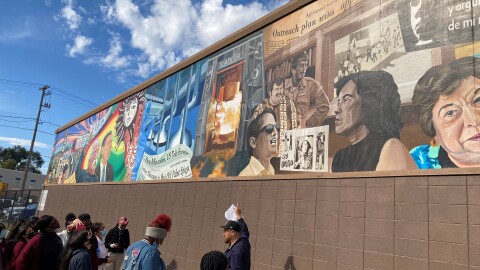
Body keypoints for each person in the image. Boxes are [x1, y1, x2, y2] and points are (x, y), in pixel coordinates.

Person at [331, 70, 417, 172]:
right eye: (338, 102)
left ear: (369, 104)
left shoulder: (391, 148)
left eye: (346, 100)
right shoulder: (340, 157)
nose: (337, 109)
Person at [411, 57, 480, 168]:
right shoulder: (417, 163)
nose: (473, 120)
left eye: (478, 100)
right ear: (434, 132)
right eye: (451, 112)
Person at [284, 52, 330, 127]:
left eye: (306, 65)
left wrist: (308, 125)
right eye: (301, 65)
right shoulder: (283, 86)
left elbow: (324, 106)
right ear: (293, 70)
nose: (304, 69)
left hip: (301, 132)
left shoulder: (311, 85)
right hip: (284, 132)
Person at [239, 106, 279, 176]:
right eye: (269, 128)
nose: (275, 133)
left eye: (277, 128)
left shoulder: (272, 171)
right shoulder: (245, 176)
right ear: (253, 142)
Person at [261, 77, 298, 152]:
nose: (280, 92)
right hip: (268, 152)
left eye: (281, 88)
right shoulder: (262, 108)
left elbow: (295, 126)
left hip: (286, 150)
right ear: (270, 93)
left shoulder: (289, 104)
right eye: (277, 89)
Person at [220, 204, 250, 270]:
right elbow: (244, 230)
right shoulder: (243, 241)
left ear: (232, 232)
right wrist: (239, 216)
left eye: (225, 231)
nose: (223, 234)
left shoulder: (236, 251)